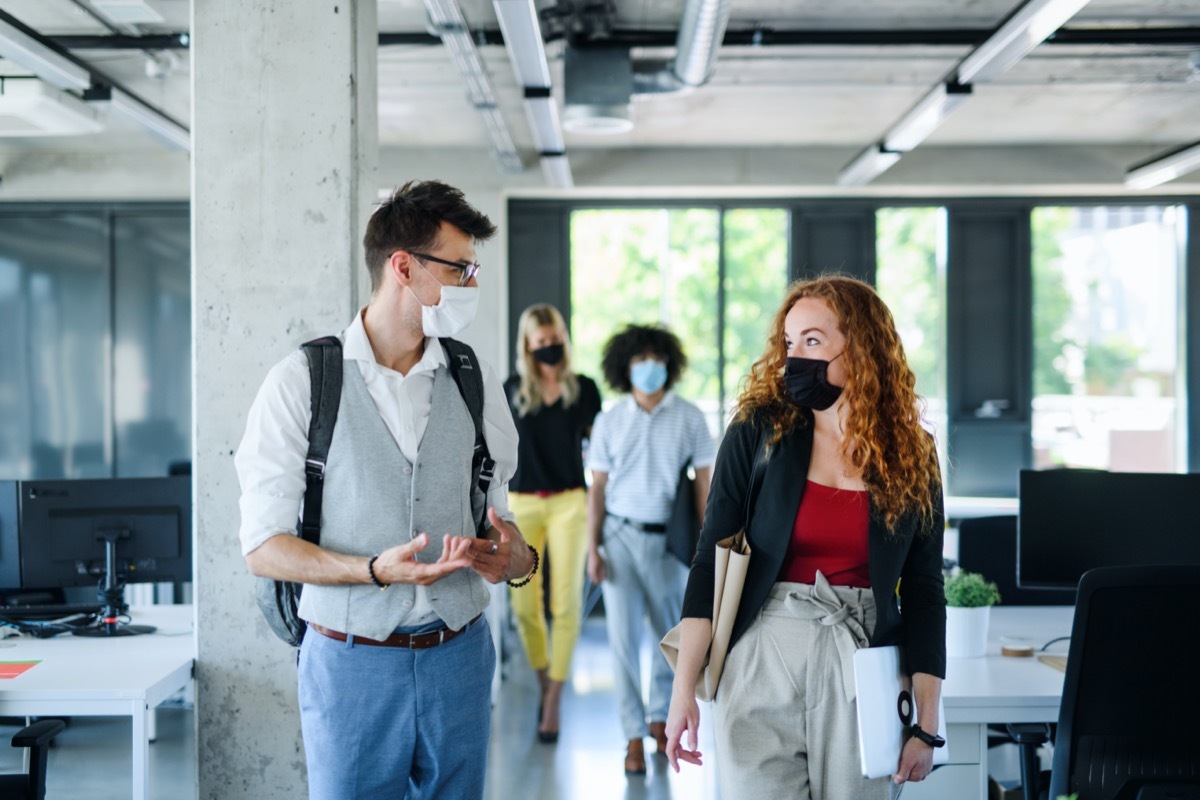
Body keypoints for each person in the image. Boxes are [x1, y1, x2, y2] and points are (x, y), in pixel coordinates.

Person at [236, 179, 536, 800]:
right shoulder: (301, 383)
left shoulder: (473, 382)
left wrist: (517, 560)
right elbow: (264, 547)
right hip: (350, 662)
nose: (470, 285)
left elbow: (501, 521)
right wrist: (372, 570)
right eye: (460, 268)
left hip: (460, 655)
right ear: (404, 266)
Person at [664, 275, 946, 799]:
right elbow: (710, 564)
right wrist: (682, 693)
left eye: (813, 341)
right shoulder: (758, 430)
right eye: (790, 344)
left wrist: (926, 723)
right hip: (761, 655)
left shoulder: (913, 452)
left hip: (864, 664)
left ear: (860, 347)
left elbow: (926, 589)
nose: (796, 358)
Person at [586, 323, 716, 776]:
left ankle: (661, 719)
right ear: (625, 368)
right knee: (622, 643)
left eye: (655, 359)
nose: (648, 368)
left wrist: (707, 546)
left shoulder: (690, 417)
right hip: (619, 539)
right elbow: (597, 489)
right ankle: (631, 737)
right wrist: (592, 548)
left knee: (670, 639)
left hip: (670, 543)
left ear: (669, 364)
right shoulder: (610, 420)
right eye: (639, 360)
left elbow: (705, 483)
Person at [503, 303, 602, 743]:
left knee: (565, 604)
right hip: (521, 505)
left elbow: (601, 451)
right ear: (527, 345)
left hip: (568, 503)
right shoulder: (510, 390)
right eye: (540, 342)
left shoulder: (584, 389)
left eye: (555, 338)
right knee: (524, 608)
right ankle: (545, 681)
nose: (549, 347)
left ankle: (555, 699)